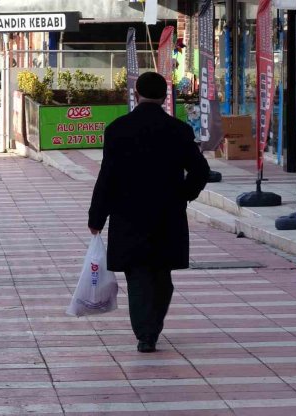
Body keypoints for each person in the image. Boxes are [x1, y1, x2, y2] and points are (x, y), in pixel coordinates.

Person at [88, 72, 210, 353]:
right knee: (161, 274)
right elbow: (200, 171)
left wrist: (97, 217)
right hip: (167, 214)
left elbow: (108, 177)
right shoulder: (178, 130)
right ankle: (151, 327)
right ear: (165, 97)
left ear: (136, 94)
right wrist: (184, 194)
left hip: (128, 213)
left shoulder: (118, 129)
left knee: (137, 274)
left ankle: (145, 332)